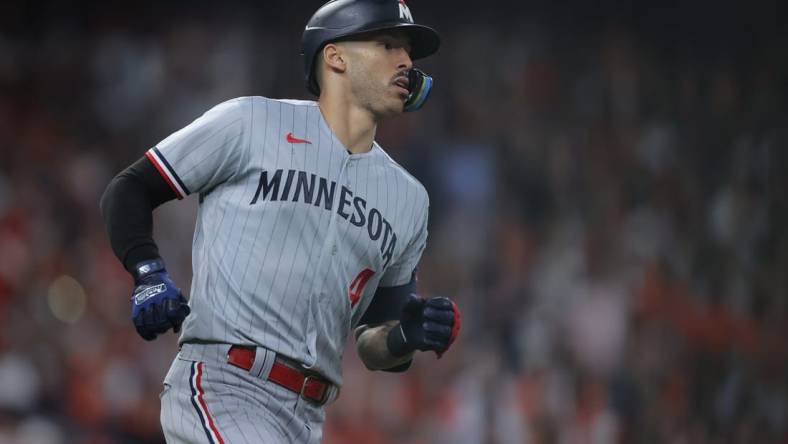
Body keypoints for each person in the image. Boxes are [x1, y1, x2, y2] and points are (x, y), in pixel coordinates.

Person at [100, 0, 460, 442]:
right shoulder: (250, 122)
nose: (405, 61)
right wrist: (147, 271)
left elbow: (372, 344)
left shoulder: (408, 199)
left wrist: (407, 334)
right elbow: (130, 188)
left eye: (408, 51)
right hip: (223, 383)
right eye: (388, 44)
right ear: (336, 56)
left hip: (307, 418)